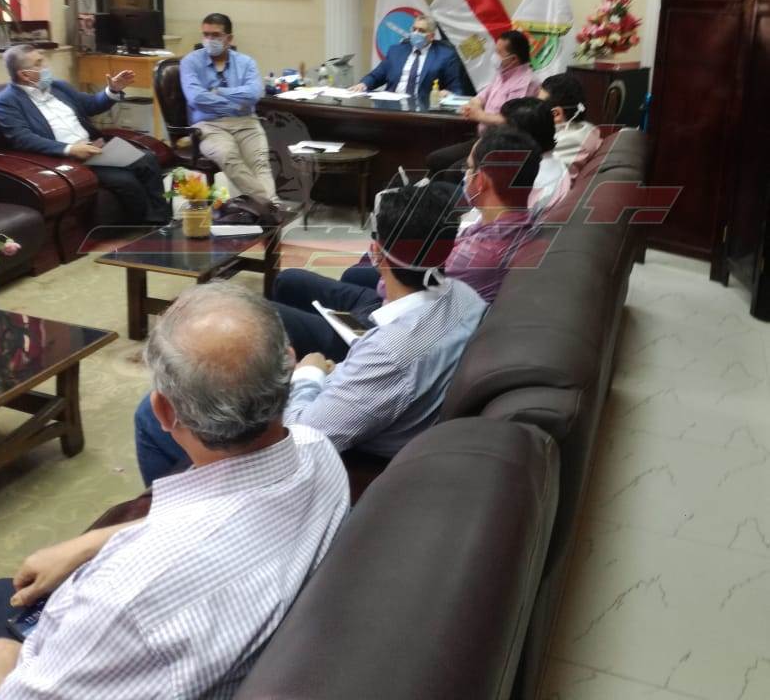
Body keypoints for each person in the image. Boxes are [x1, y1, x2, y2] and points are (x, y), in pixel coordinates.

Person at [0, 284, 349, 699]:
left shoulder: (126, 597)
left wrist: (2, 658)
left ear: (163, 411)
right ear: (288, 365)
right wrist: (90, 542)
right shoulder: (318, 449)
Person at [134, 183, 487, 477]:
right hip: (374, 399)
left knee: (150, 416)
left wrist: (309, 373)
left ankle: (171, 510)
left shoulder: (390, 356)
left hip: (334, 453)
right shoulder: (466, 297)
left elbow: (302, 437)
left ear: (376, 253)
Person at [273, 128, 542, 362]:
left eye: (469, 169)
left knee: (274, 314)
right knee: (291, 280)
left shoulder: (480, 254)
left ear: (480, 181)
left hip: (392, 328)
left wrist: (385, 256)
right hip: (402, 306)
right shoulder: (515, 223)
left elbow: (399, 284)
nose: (464, 175)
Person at [0, 44, 170, 226]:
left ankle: (161, 219)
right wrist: (69, 149)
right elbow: (22, 138)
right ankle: (149, 225)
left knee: (147, 159)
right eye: (39, 63)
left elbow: (91, 105)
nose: (46, 66)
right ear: (25, 75)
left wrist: (113, 90)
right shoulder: (7, 101)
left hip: (95, 149)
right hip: (65, 159)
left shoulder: (59, 87)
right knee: (126, 181)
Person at [179, 13, 276, 202]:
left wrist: (219, 92)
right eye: (206, 34)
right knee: (228, 156)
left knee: (260, 163)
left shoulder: (246, 63)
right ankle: (270, 205)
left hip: (246, 122)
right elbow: (196, 98)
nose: (209, 40)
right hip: (209, 125)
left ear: (229, 38)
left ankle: (267, 209)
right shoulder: (190, 62)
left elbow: (255, 94)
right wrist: (237, 102)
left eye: (216, 35)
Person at [426, 29, 540, 178]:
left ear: (513, 59)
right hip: (483, 139)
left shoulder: (526, 82)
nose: (494, 56)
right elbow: (479, 98)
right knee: (435, 159)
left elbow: (512, 120)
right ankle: (427, 189)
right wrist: (475, 107)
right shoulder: (503, 74)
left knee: (452, 173)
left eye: (499, 53)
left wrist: (479, 115)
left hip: (502, 145)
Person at [353, 16, 464, 99]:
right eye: (414, 29)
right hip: (392, 106)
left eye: (421, 31)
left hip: (424, 110)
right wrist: (363, 84)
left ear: (431, 36)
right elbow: (376, 75)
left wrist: (447, 93)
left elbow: (456, 89)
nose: (415, 33)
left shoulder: (446, 55)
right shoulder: (396, 51)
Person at [500, 96, 571, 214]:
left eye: (503, 129)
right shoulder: (553, 159)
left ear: (520, 137)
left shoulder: (530, 183)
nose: (497, 134)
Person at [537, 73, 603, 178]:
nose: (535, 110)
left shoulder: (567, 144)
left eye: (539, 106)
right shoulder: (588, 128)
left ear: (556, 114)